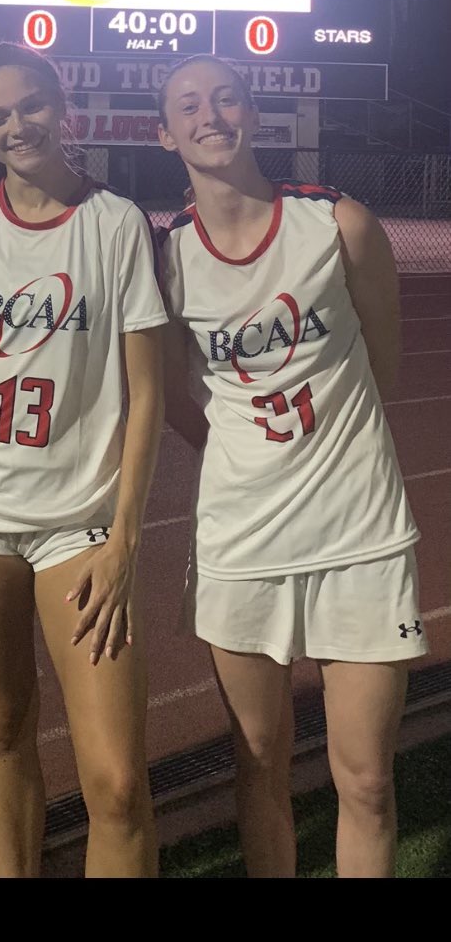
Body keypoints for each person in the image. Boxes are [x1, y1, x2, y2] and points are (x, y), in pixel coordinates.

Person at [156, 53, 427, 879]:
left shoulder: (339, 222)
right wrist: (253, 460)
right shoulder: (165, 258)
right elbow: (177, 401)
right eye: (190, 105)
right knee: (259, 764)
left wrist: (327, 454)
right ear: (165, 135)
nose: (212, 115)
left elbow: (382, 367)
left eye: (228, 97)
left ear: (255, 116)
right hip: (245, 544)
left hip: (360, 535)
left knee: (369, 780)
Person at [0, 41, 167, 878]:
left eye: (32, 105)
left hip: (79, 527)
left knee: (119, 782)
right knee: (2, 728)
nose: (19, 125)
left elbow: (148, 395)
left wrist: (126, 540)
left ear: (64, 105)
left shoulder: (118, 222)